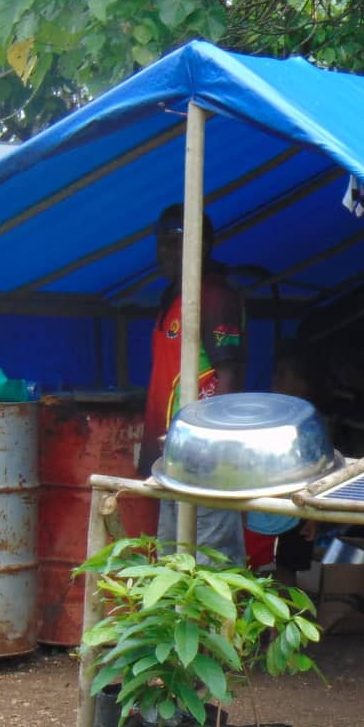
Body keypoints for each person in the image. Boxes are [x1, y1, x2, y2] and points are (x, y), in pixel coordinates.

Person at [142, 203, 247, 561]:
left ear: (201, 246)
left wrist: (209, 443)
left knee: (210, 560)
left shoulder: (215, 296)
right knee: (172, 559)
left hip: (204, 458)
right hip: (171, 454)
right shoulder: (174, 297)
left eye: (176, 241)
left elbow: (228, 373)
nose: (165, 251)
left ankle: (220, 621)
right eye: (162, 242)